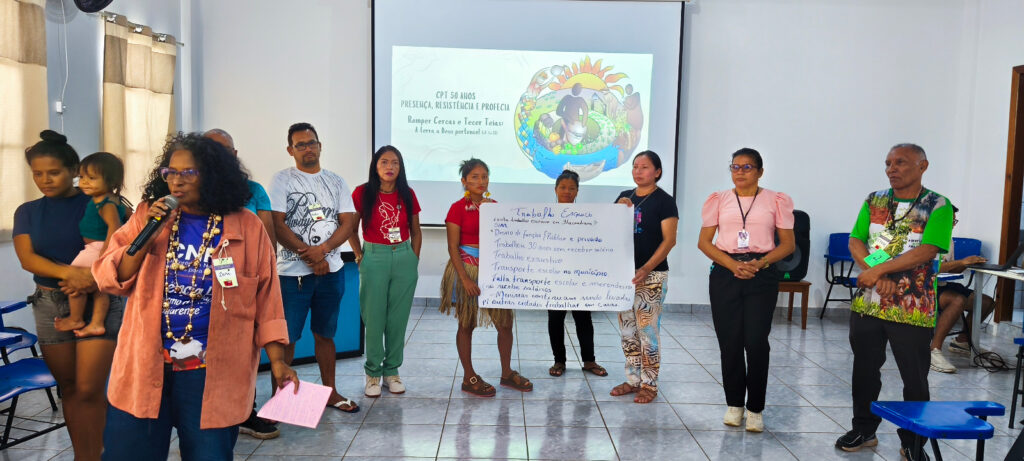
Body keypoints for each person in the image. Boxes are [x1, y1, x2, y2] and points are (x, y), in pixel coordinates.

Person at [94, 133, 299, 460]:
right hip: (146, 366)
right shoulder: (149, 214)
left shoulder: (246, 226)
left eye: (188, 172)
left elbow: (267, 300)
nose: (176, 181)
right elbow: (110, 276)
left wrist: (277, 361)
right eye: (171, 172)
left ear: (214, 175)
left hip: (212, 372)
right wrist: (150, 232)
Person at [835, 143, 953, 461]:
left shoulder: (938, 205)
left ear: (923, 166)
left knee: (914, 377)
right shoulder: (874, 201)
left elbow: (928, 249)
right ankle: (864, 428)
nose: (892, 168)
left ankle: (912, 441)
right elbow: (856, 240)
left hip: (913, 306)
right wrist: (876, 273)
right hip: (870, 302)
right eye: (888, 163)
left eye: (900, 162)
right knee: (864, 370)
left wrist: (880, 269)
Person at [13, 130, 125, 461]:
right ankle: (84, 456)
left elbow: (121, 245)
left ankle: (102, 454)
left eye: (54, 172)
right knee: (71, 389)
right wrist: (73, 274)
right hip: (49, 304)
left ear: (74, 169)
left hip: (98, 302)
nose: (45, 180)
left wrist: (92, 279)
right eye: (37, 173)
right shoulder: (28, 211)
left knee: (90, 389)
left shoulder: (98, 201)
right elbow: (27, 258)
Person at [698, 148, 795, 432]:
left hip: (761, 275)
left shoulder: (775, 200)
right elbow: (704, 242)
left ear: (760, 171)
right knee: (729, 342)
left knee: (755, 342)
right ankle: (734, 404)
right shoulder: (719, 200)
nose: (739, 172)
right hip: (726, 274)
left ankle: (755, 409)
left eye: (747, 167)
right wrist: (731, 265)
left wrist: (760, 262)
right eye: (735, 166)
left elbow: (788, 244)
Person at [270, 122, 360, 413]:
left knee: (325, 334)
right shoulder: (282, 180)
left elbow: (349, 221)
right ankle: (281, 400)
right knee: (287, 339)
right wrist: (308, 255)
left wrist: (323, 251)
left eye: (312, 143)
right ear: (290, 150)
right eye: (301, 144)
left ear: (320, 146)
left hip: (331, 273)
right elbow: (277, 223)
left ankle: (330, 392)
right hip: (291, 275)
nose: (308, 148)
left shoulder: (336, 181)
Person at [202, 128, 281, 439]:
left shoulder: (254, 190)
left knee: (243, 359)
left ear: (234, 156)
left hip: (242, 287)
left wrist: (265, 270)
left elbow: (266, 236)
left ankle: (246, 412)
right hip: (200, 295)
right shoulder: (190, 196)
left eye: (224, 151)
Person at [441, 158, 533, 397]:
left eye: (484, 176)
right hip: (467, 269)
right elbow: (453, 247)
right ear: (464, 181)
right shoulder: (456, 208)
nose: (480, 181)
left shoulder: (495, 206)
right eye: (474, 177)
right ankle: (468, 376)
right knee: (467, 323)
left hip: (494, 271)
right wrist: (465, 280)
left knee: (505, 323)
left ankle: (506, 373)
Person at [350, 146, 421, 397]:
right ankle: (373, 374)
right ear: (375, 166)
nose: (390, 167)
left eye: (395, 163)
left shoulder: (407, 193)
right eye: (384, 162)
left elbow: (416, 229)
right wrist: (359, 254)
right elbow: (350, 227)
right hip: (374, 256)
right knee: (374, 318)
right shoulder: (362, 192)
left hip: (403, 256)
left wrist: (413, 258)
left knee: (397, 320)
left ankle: (392, 372)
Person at [609, 151, 678, 404]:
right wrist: (617, 211)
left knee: (647, 331)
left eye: (645, 167)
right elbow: (608, 231)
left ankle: (649, 384)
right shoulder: (623, 197)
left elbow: (670, 240)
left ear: (657, 172)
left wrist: (647, 268)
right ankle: (632, 380)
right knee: (628, 330)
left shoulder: (664, 201)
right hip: (623, 275)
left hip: (651, 275)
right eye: (635, 166)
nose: (638, 171)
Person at [53, 152, 130, 337]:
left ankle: (76, 318)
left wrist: (105, 253)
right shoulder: (113, 199)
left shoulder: (105, 203)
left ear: (111, 182)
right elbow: (131, 217)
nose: (84, 182)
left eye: (92, 178)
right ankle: (96, 323)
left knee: (73, 280)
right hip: (98, 248)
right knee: (100, 290)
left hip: (97, 249)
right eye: (82, 177)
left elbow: (115, 226)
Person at [546, 169, 607, 378]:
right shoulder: (544, 217)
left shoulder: (587, 219)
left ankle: (589, 360)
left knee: (583, 319)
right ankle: (559, 361)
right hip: (554, 278)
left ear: (577, 192)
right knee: (555, 320)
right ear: (555, 189)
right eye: (563, 187)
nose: (567, 191)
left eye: (572, 188)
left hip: (580, 278)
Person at [928, 206, 995, 373]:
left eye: (954, 221)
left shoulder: (948, 239)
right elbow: (930, 267)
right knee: (957, 300)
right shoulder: (925, 239)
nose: (953, 225)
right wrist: (961, 262)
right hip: (925, 286)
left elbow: (950, 268)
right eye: (950, 221)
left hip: (944, 284)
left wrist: (967, 264)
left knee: (986, 302)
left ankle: (963, 341)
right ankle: (933, 350)